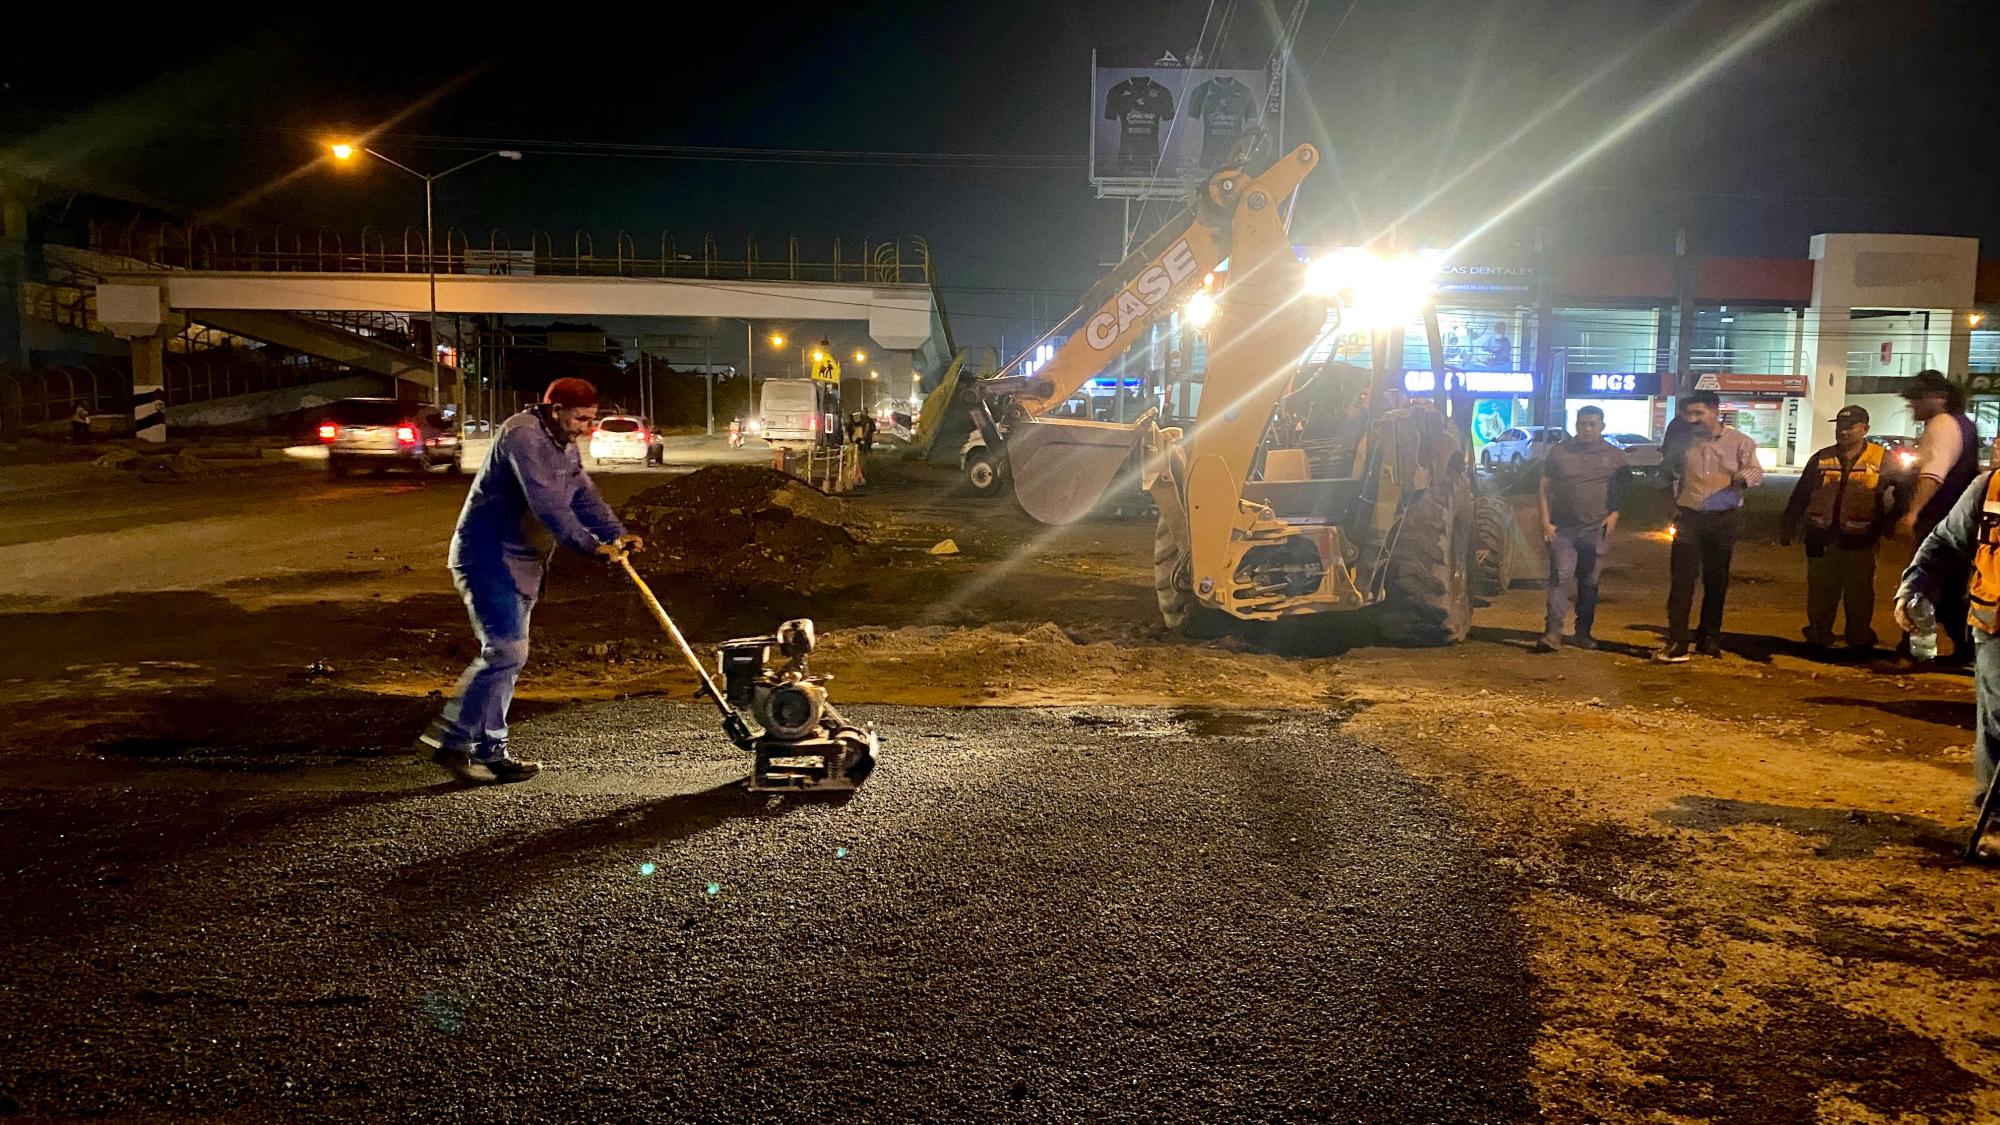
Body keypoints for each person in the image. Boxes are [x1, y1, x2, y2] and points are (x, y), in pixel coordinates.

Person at [415, 377, 644, 784]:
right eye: (580, 419)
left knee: (509, 657)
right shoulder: (524, 434)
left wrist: (616, 533)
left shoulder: (563, 441)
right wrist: (591, 547)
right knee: (505, 652)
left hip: (523, 562)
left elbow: (582, 493)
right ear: (555, 410)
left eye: (591, 420)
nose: (586, 428)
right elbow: (548, 504)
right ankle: (451, 742)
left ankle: (492, 751)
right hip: (488, 556)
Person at [1896, 430, 2000, 831]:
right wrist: (1914, 587)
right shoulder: (1988, 488)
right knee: (1997, 721)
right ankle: (1994, 819)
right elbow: (1943, 543)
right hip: (1994, 624)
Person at [1655, 390, 1764, 662]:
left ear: (1715, 411)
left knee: (1716, 581)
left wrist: (1743, 478)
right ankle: (1678, 640)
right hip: (1689, 518)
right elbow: (1665, 475)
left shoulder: (1740, 442)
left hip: (1723, 519)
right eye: (1688, 414)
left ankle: (1709, 638)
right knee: (1681, 582)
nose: (1693, 419)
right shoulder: (1681, 443)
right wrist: (1669, 506)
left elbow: (1755, 471)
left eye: (1698, 413)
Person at [1780, 406, 1900, 652]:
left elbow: (1904, 493)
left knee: (1859, 593)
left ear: (1865, 429)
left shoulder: (1883, 459)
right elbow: (1801, 494)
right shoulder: (1821, 458)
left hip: (1861, 538)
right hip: (1820, 536)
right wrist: (1788, 525)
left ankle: (1858, 638)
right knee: (1820, 591)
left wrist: (1889, 523)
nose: (1843, 432)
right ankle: (1818, 635)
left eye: (1850, 427)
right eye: (1839, 427)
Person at [1895, 370, 1979, 662]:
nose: (1912, 406)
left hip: (1940, 520)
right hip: (1958, 520)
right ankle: (1962, 648)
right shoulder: (1963, 424)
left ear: (1939, 399)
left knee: (1923, 582)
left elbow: (1933, 474)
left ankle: (1918, 648)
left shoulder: (1942, 424)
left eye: (1917, 399)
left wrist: (1913, 513)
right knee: (1950, 585)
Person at [1535, 405, 1627, 652]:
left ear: (1602, 427)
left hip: (1596, 530)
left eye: (1592, 424)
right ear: (1575, 425)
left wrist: (1614, 515)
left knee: (1589, 583)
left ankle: (1583, 633)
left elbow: (1620, 490)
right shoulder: (1560, 452)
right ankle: (1552, 633)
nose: (1586, 428)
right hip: (1563, 530)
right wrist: (1545, 522)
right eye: (1581, 424)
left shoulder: (1614, 456)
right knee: (1560, 579)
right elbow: (1544, 488)